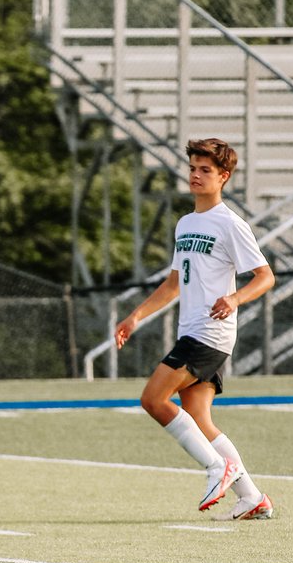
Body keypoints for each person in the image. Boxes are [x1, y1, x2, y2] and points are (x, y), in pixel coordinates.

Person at [115, 138, 275, 520]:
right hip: (192, 330)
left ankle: (216, 468)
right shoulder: (186, 223)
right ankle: (252, 497)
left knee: (153, 399)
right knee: (199, 420)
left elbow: (265, 277)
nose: (196, 175)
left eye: (206, 170)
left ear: (224, 177)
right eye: (193, 169)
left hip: (210, 333)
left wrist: (234, 299)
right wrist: (135, 316)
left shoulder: (230, 223)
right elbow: (173, 284)